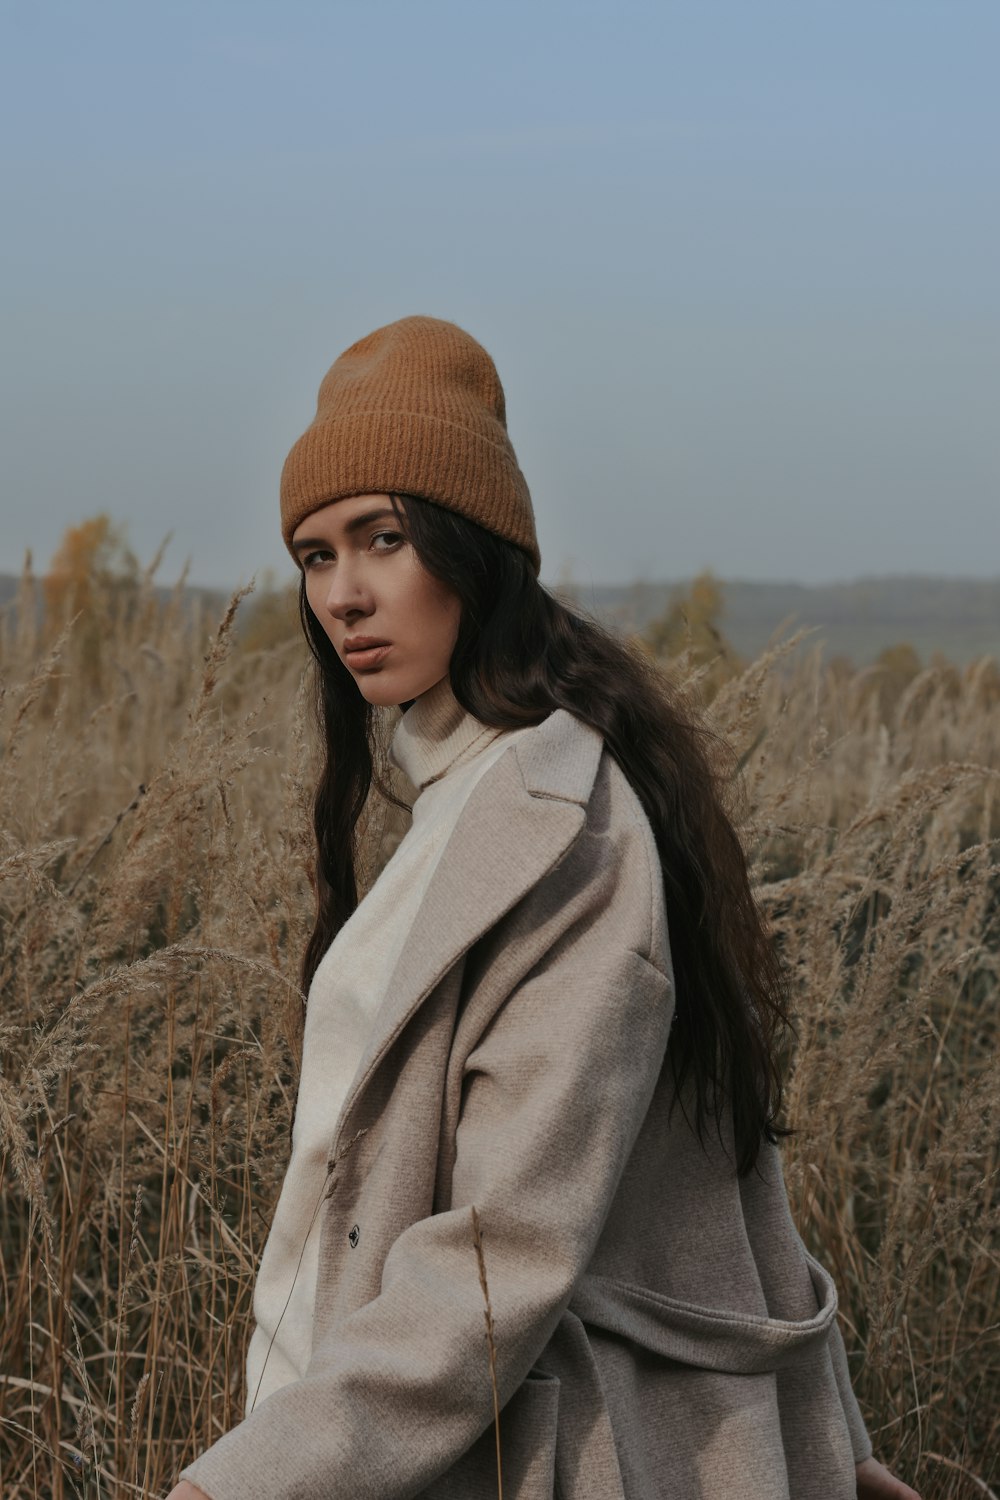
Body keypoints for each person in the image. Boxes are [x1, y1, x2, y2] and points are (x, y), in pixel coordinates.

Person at [168, 316, 920, 1500]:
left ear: (475, 548)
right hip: (353, 1431)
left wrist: (244, 1482)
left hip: (496, 1454)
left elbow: (500, 1254)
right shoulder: (468, 805)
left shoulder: (564, 832)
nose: (346, 594)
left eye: (384, 538)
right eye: (315, 555)